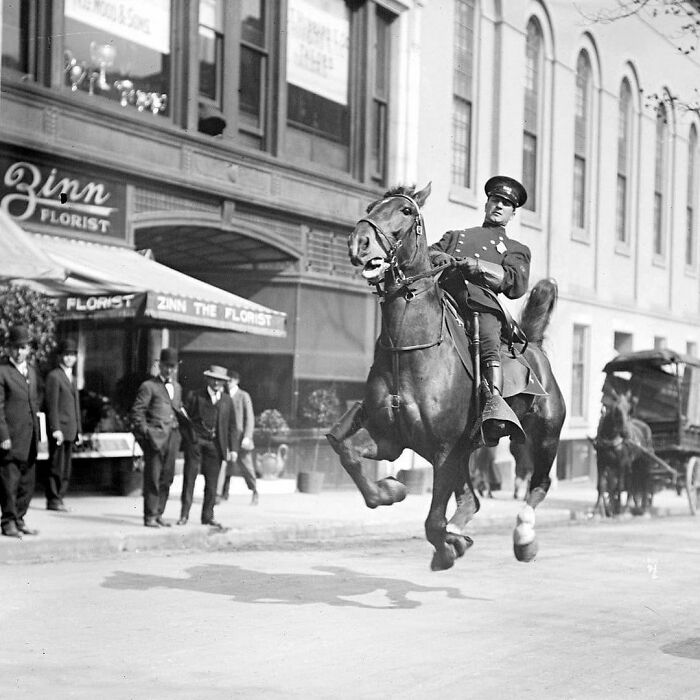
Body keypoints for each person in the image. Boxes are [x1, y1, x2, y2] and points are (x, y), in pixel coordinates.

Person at [428, 175, 531, 447]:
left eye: (506, 204)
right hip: (445, 298)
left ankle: (494, 407)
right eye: (495, 200)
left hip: (481, 306)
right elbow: (428, 254)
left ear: (512, 213)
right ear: (487, 203)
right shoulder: (457, 236)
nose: (498, 206)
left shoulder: (515, 249)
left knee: (488, 340)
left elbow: (515, 284)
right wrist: (442, 257)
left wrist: (478, 267)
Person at [178, 365, 237, 530]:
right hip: (196, 443)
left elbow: (233, 426)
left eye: (221, 380)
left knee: (212, 483)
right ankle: (184, 515)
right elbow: (184, 420)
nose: (217, 383)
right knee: (190, 478)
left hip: (216, 445)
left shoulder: (227, 400)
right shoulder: (195, 396)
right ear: (208, 379)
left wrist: (233, 449)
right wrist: (190, 439)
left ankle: (208, 516)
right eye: (214, 379)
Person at [130, 347, 183, 528]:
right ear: (159, 365)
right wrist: (147, 433)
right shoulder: (148, 386)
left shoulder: (177, 387)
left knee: (167, 478)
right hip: (155, 439)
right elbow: (137, 413)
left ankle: (159, 512)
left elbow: (176, 410)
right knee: (152, 477)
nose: (169, 370)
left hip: (172, 438)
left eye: (173, 367)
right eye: (166, 366)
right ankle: (150, 515)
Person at [0, 324, 41, 538]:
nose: (19, 352)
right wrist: (3, 435)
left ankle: (19, 518)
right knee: (10, 482)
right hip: (11, 438)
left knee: (27, 483)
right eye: (15, 348)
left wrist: (39, 435)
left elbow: (35, 403)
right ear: (8, 349)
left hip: (30, 438)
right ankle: (8, 522)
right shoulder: (3, 371)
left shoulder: (32, 372)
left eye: (23, 347)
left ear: (29, 349)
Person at [44, 337, 83, 512]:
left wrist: (79, 431)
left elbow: (76, 406)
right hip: (60, 429)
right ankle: (53, 499)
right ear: (60, 356)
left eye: (72, 355)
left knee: (66, 467)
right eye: (66, 355)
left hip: (71, 429)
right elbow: (51, 406)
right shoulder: (54, 376)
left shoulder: (72, 378)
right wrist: (55, 428)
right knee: (56, 465)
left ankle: (60, 496)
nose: (69, 358)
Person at [221, 370, 258, 505]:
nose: (228, 383)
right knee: (226, 465)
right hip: (227, 437)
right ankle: (224, 492)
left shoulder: (243, 396)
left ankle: (254, 491)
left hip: (241, 438)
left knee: (247, 466)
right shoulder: (223, 395)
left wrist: (247, 436)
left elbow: (249, 418)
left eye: (230, 380)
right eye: (227, 380)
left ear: (236, 381)